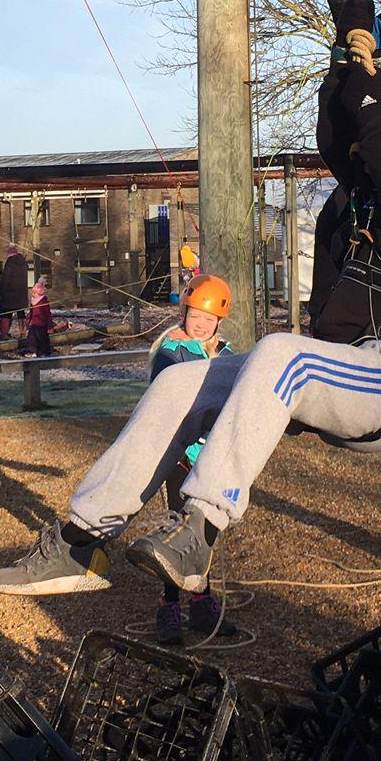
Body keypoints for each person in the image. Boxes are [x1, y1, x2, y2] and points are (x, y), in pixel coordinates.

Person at [0, 26, 381, 602]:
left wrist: (370, 101)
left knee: (282, 352)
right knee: (179, 384)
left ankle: (200, 529)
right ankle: (81, 542)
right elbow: (345, 142)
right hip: (338, 368)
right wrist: (346, 52)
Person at [147, 275, 236, 644]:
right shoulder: (171, 352)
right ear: (184, 313)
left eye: (208, 319)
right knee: (177, 529)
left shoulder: (226, 354)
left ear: (218, 322)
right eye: (195, 316)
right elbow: (166, 401)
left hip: (212, 455)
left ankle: (201, 602)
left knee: (206, 529)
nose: (200, 324)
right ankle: (169, 606)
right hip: (180, 454)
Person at [0, 241, 28, 340]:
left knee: (6, 313)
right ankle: (23, 332)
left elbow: (6, 278)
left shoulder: (10, 262)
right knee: (21, 313)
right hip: (21, 293)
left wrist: (0, 289)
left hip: (9, 294)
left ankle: (4, 333)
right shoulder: (23, 263)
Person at [22, 277, 55, 357]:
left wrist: (49, 326)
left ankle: (44, 352)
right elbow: (31, 312)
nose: (33, 295)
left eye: (34, 293)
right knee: (31, 338)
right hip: (34, 324)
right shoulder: (33, 302)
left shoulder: (44, 301)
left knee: (42, 338)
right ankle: (32, 351)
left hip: (42, 324)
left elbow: (48, 314)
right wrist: (28, 321)